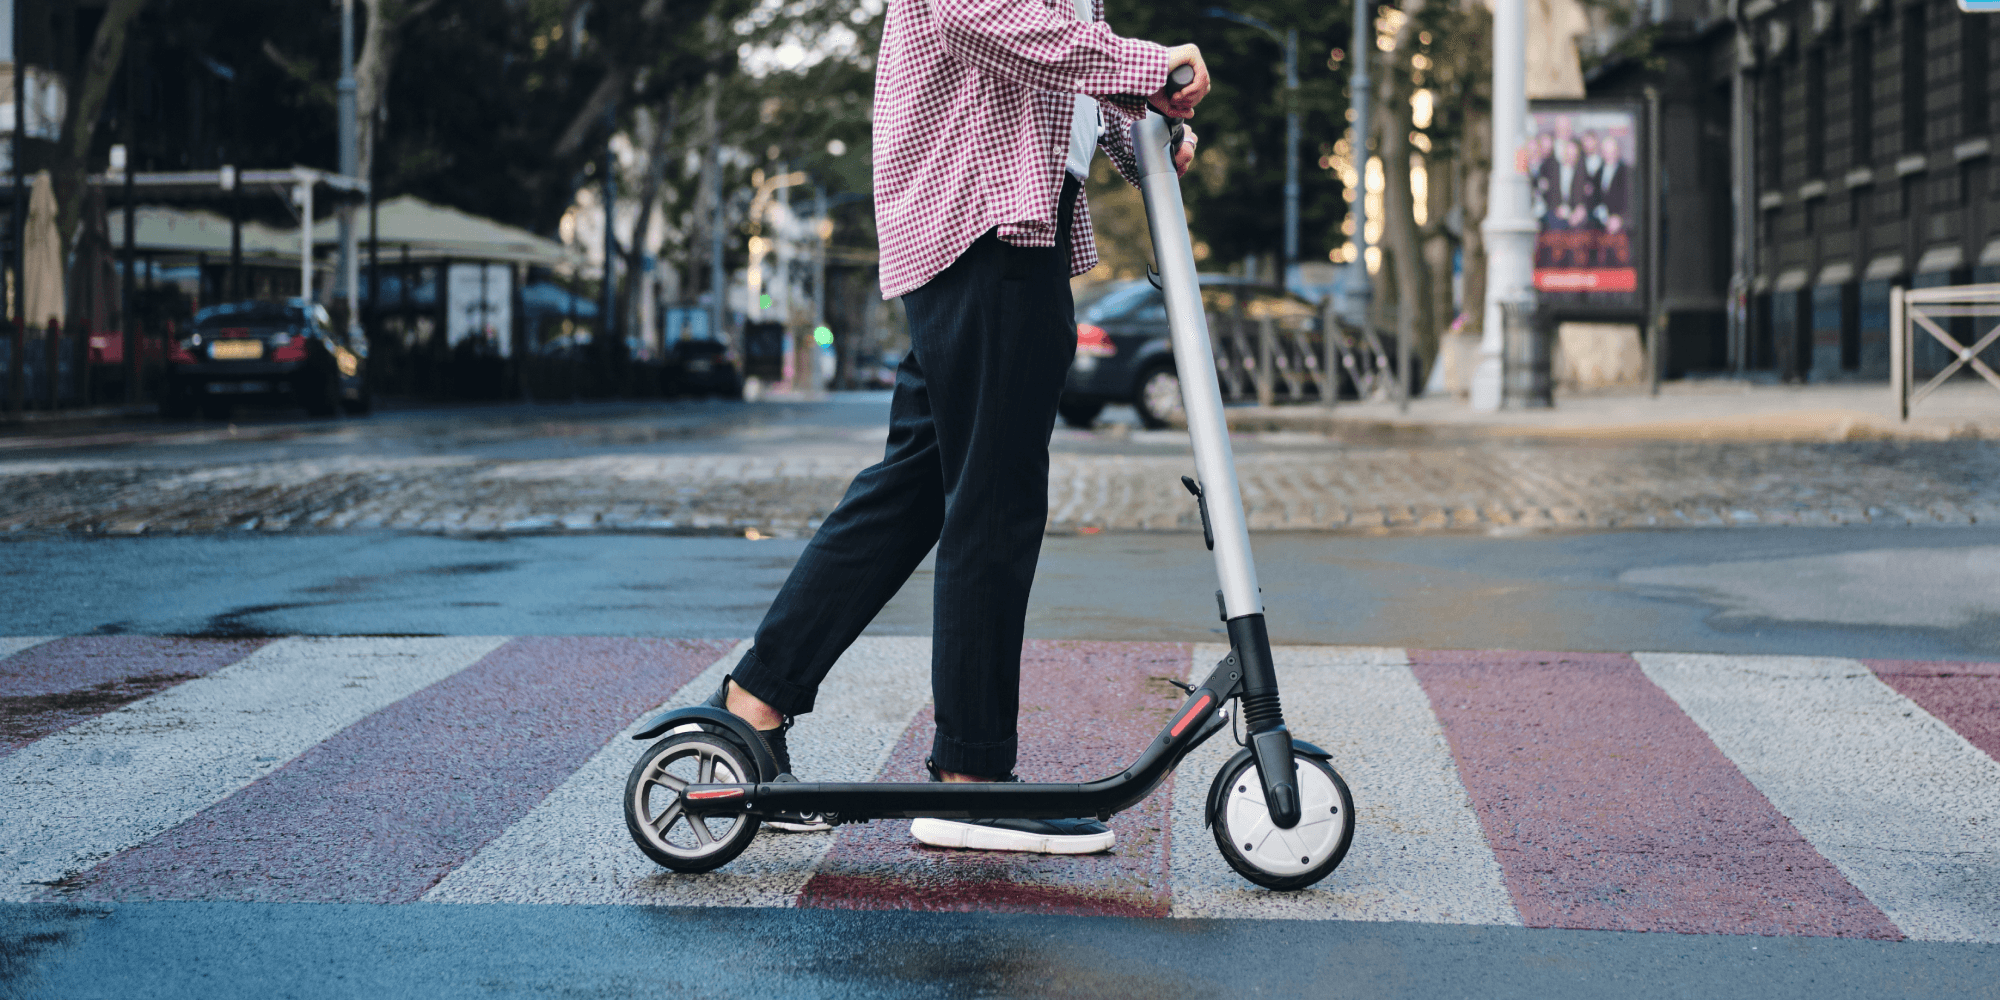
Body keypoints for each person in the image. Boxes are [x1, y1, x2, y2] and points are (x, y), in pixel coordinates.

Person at [702, 0, 1209, 855]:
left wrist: (1137, 125)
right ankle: (970, 779)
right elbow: (987, 21)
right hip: (984, 230)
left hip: (995, 227)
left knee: (912, 491)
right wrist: (1144, 66)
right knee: (997, 499)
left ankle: (752, 703)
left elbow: (1050, 78)